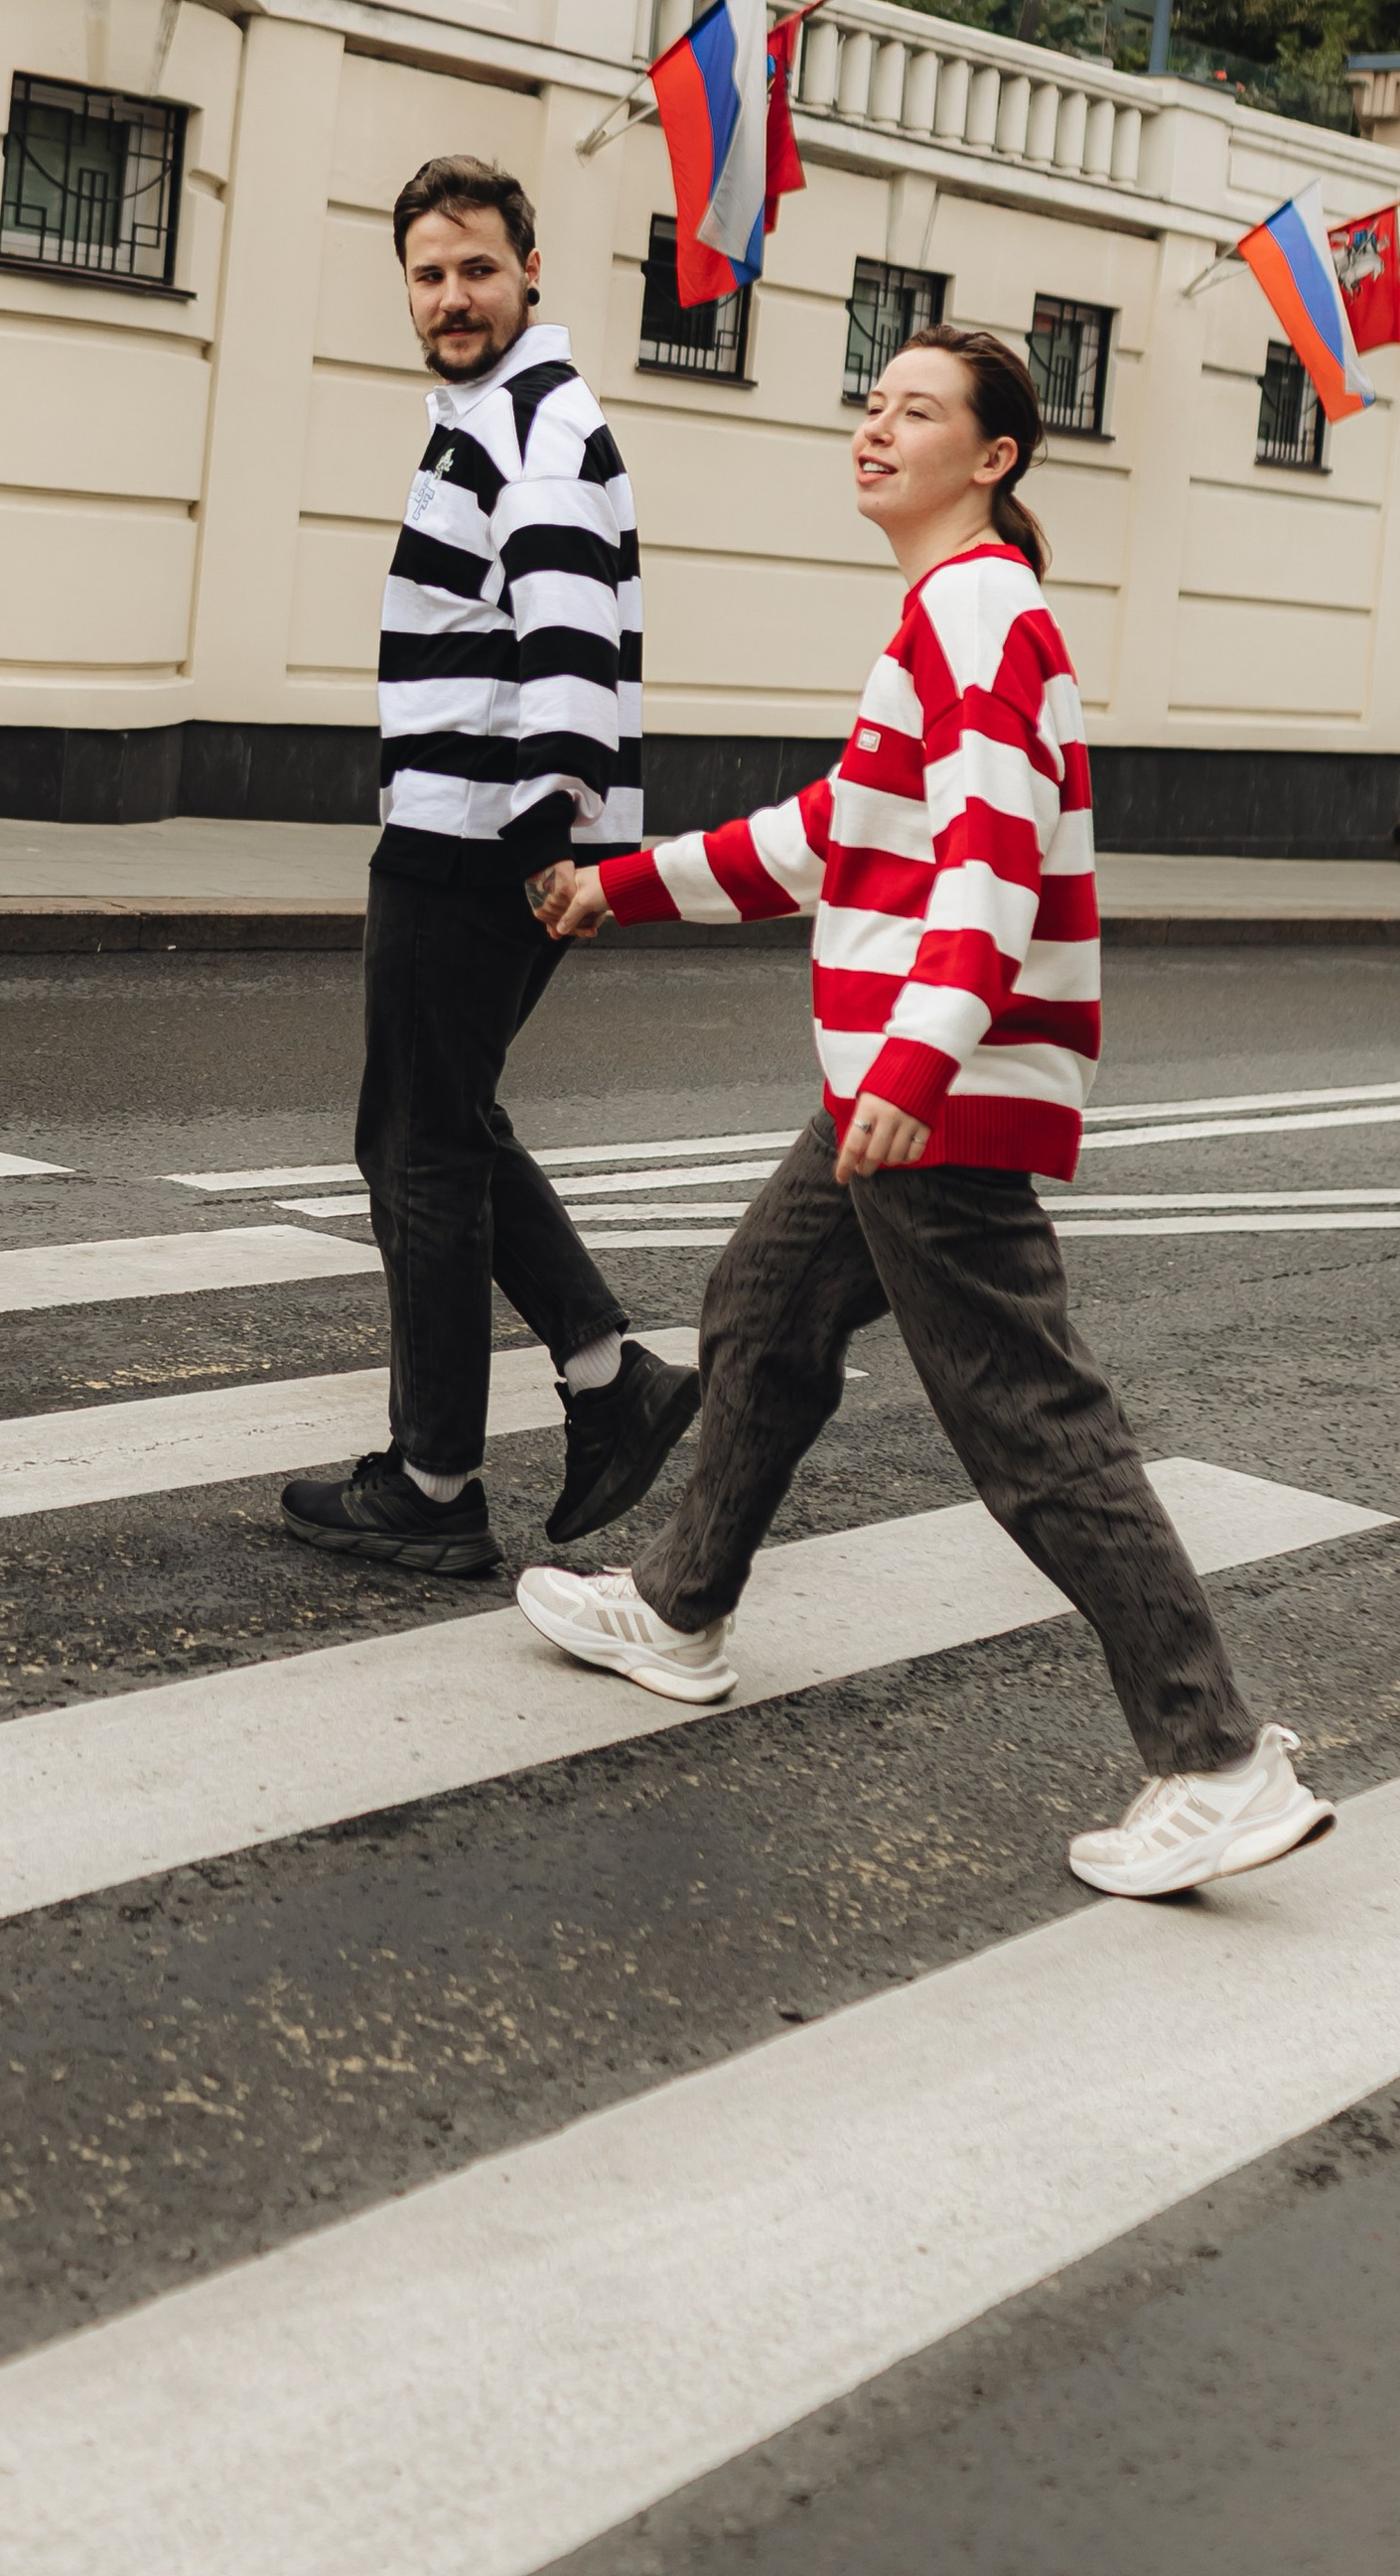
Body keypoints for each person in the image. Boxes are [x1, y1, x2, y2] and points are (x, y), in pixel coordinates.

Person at [520, 325, 1332, 1898]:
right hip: (897, 1079)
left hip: (926, 1089)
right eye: (871, 403)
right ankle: (682, 1608)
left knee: (1031, 1424)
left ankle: (1216, 1755)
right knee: (759, 1308)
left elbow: (990, 860)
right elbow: (838, 834)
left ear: (996, 457)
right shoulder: (951, 618)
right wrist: (623, 892)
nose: (875, 428)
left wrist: (913, 1069)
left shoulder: (978, 611)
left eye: (918, 411)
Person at [280, 155, 701, 1579]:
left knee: (417, 1150)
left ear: (532, 272)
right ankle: (605, 1383)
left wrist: (538, 828)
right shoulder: (495, 415)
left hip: (477, 842)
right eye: (428, 272)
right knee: (436, 1127)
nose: (452, 295)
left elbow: (569, 637)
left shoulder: (533, 425)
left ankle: (436, 1481)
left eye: (477, 268)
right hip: (473, 826)